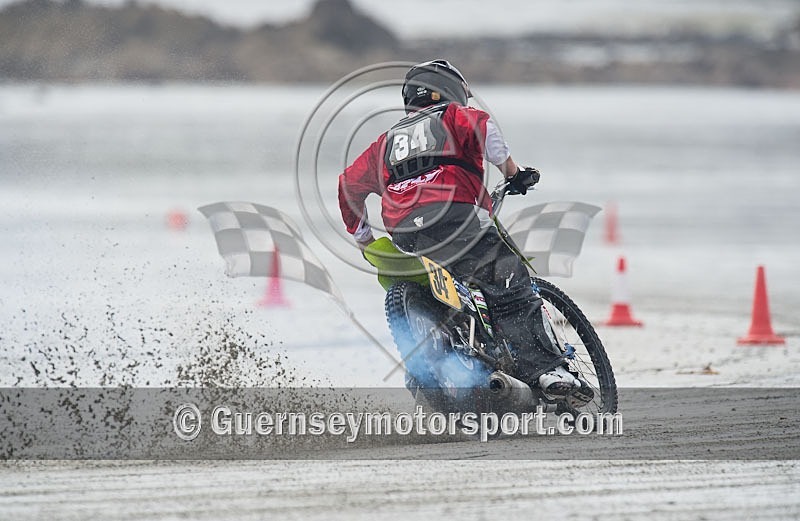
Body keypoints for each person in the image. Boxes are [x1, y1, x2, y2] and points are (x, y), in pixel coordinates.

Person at [338, 59, 587, 401]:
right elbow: (484, 128)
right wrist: (512, 172)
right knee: (508, 282)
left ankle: (439, 364)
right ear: (449, 89)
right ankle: (546, 370)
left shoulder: (384, 143)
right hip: (455, 216)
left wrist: (365, 238)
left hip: (404, 234)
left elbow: (348, 185)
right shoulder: (453, 114)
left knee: (448, 290)